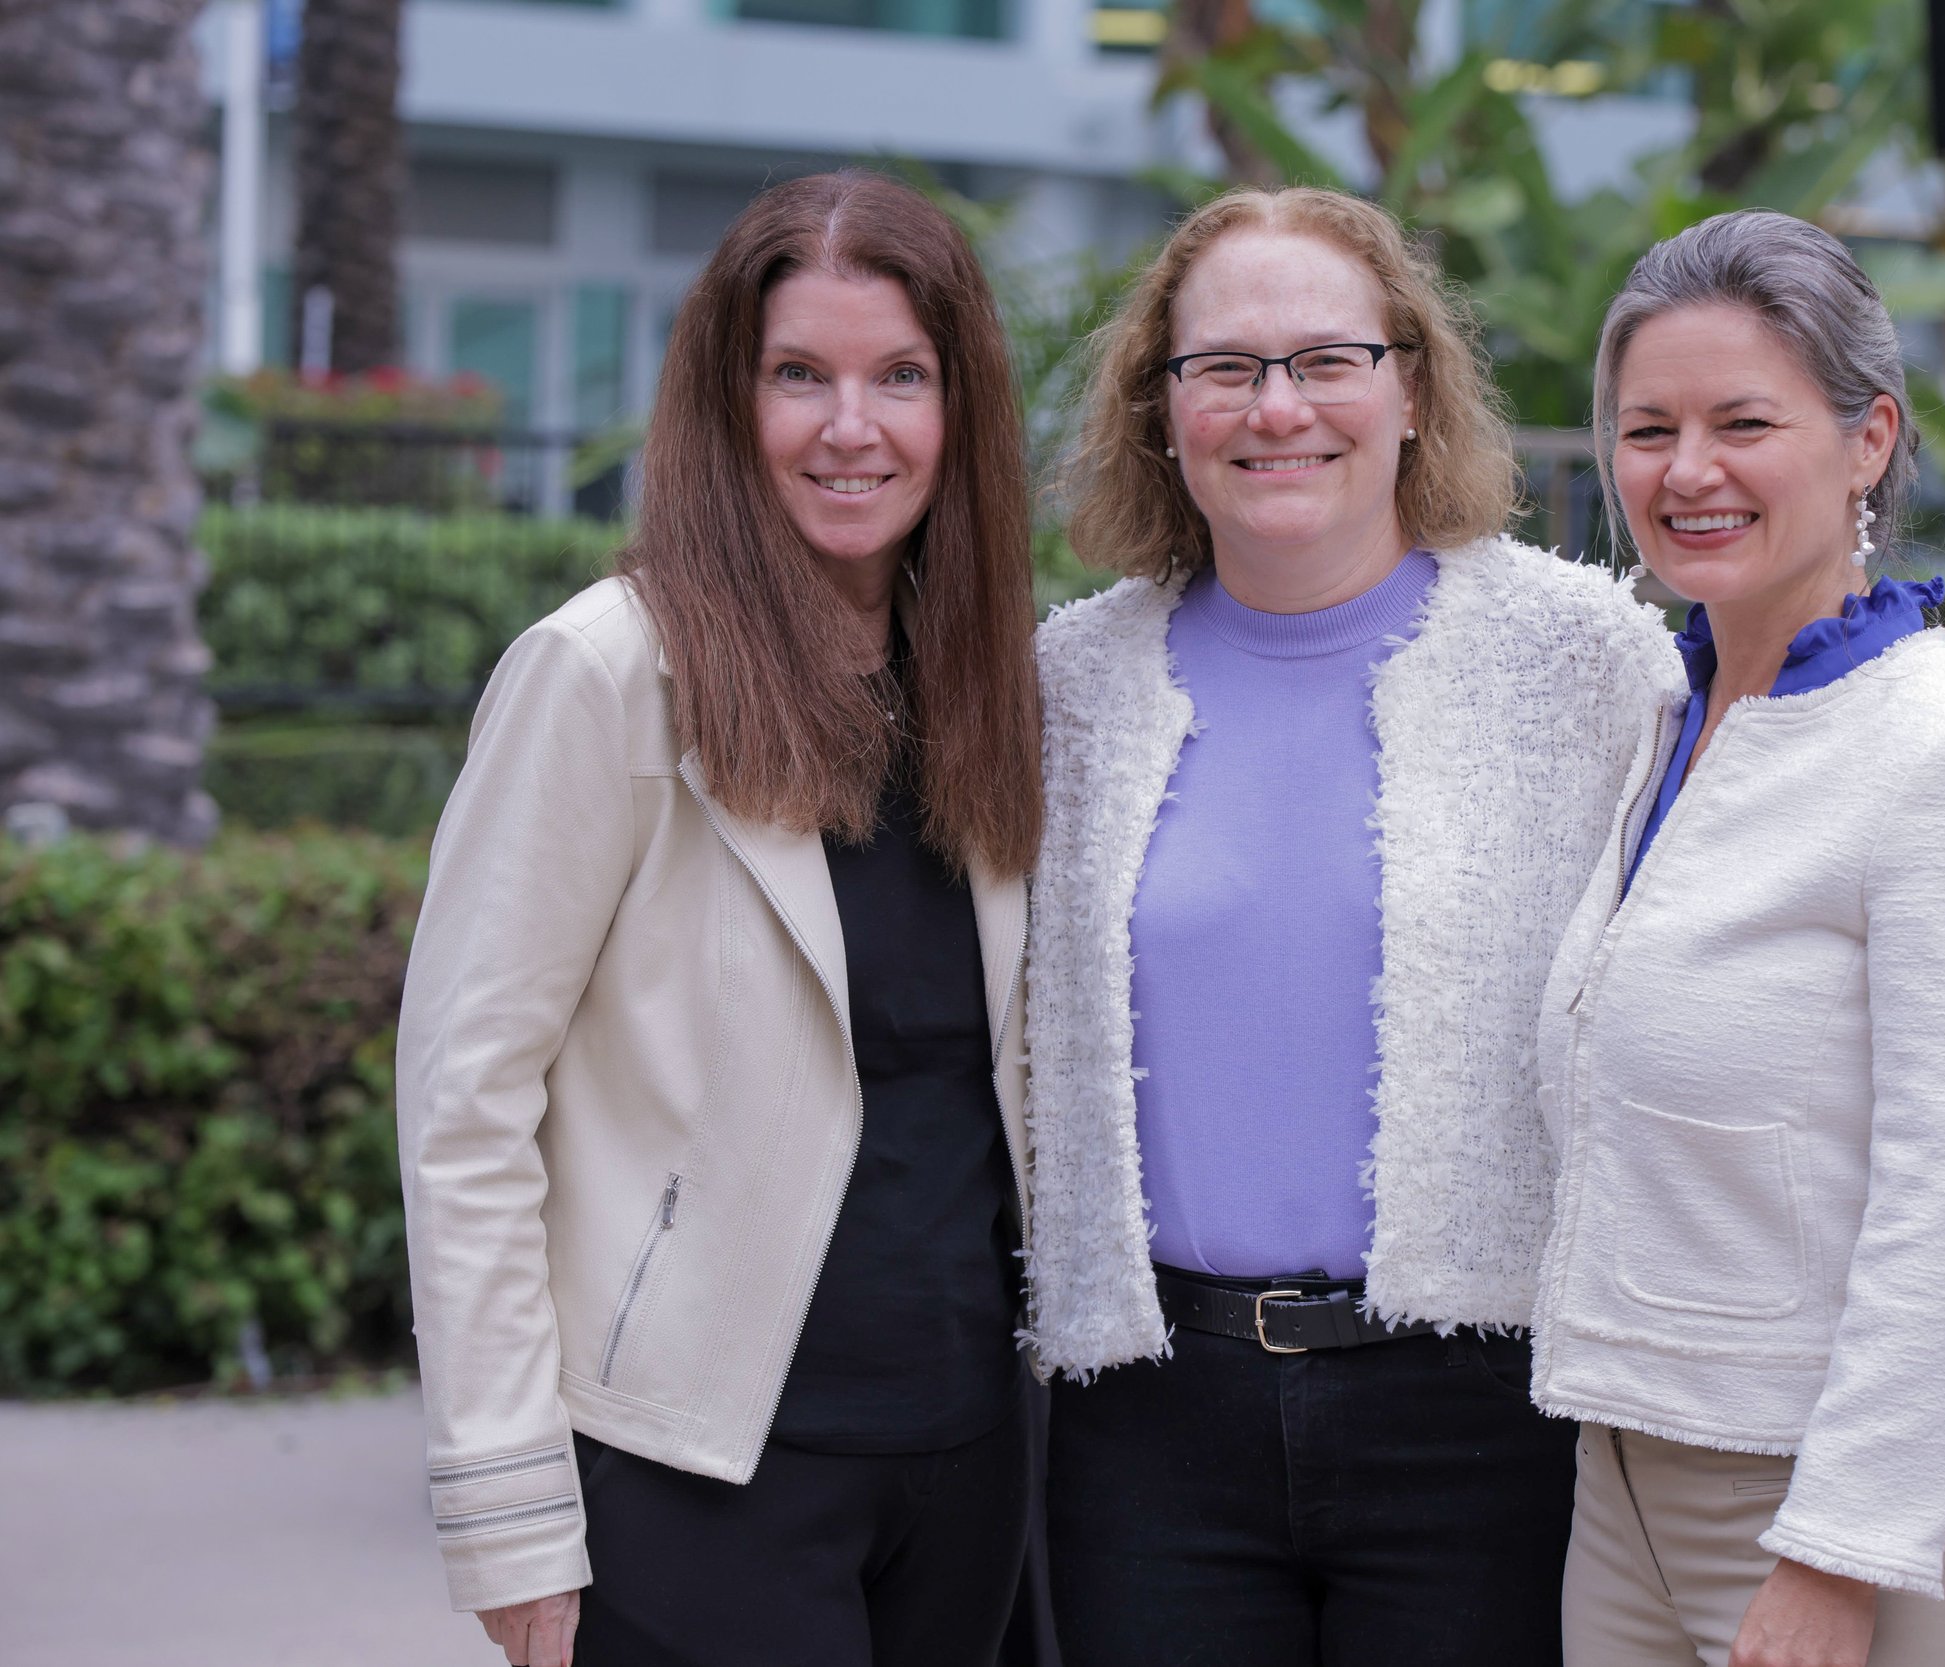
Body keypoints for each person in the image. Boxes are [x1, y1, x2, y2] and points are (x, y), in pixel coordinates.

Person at [1020, 184, 1680, 1667]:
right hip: (1145, 1419)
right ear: (1160, 408)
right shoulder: (1068, 686)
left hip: (1481, 1411)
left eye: (1329, 359)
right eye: (1225, 368)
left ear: (1411, 386)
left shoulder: (1584, 663)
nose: (1278, 409)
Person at [395, 170, 1043, 1667]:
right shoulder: (608, 672)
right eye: (797, 376)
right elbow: (465, 1102)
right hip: (690, 1478)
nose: (850, 427)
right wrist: (506, 1506)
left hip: (969, 1470)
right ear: (724, 398)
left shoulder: (992, 684)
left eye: (901, 377)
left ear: (962, 409)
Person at [1530, 208, 1945, 1667]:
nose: (1686, 470)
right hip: (1627, 1494)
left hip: (1859, 1526)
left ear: (1869, 441)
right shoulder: (1673, 716)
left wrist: (1836, 1557)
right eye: (1646, 427)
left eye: (1742, 421)